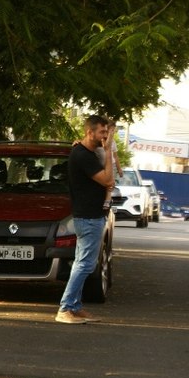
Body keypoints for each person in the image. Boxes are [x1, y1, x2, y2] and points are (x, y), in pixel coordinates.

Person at [58, 115, 114, 324]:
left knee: (81, 264)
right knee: (85, 264)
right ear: (90, 132)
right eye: (101, 132)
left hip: (90, 216)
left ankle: (74, 306)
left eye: (106, 133)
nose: (105, 137)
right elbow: (108, 180)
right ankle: (65, 308)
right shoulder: (82, 155)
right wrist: (108, 151)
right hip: (88, 217)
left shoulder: (86, 153)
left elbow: (108, 181)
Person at [98, 119, 123, 209]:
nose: (113, 132)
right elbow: (105, 147)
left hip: (111, 164)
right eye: (111, 130)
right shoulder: (101, 141)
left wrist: (119, 168)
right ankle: (102, 198)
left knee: (110, 183)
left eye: (114, 130)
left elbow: (115, 156)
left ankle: (107, 201)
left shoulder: (113, 142)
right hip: (102, 164)